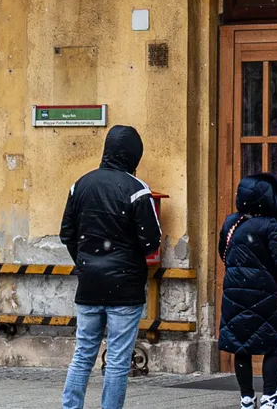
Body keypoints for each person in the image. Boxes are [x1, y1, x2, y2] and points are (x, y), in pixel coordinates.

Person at [59, 125, 162, 409]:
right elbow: (151, 241)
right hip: (126, 288)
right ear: (133, 156)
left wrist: (85, 263)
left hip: (89, 284)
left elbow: (67, 234)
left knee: (83, 354)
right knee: (117, 359)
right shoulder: (137, 190)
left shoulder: (80, 184)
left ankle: (70, 407)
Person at [219, 174, 277, 409]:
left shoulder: (231, 222)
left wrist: (238, 275)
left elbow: (223, 253)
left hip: (234, 291)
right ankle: (270, 397)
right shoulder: (269, 224)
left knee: (241, 345)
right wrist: (276, 282)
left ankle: (247, 399)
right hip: (265, 290)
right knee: (273, 344)